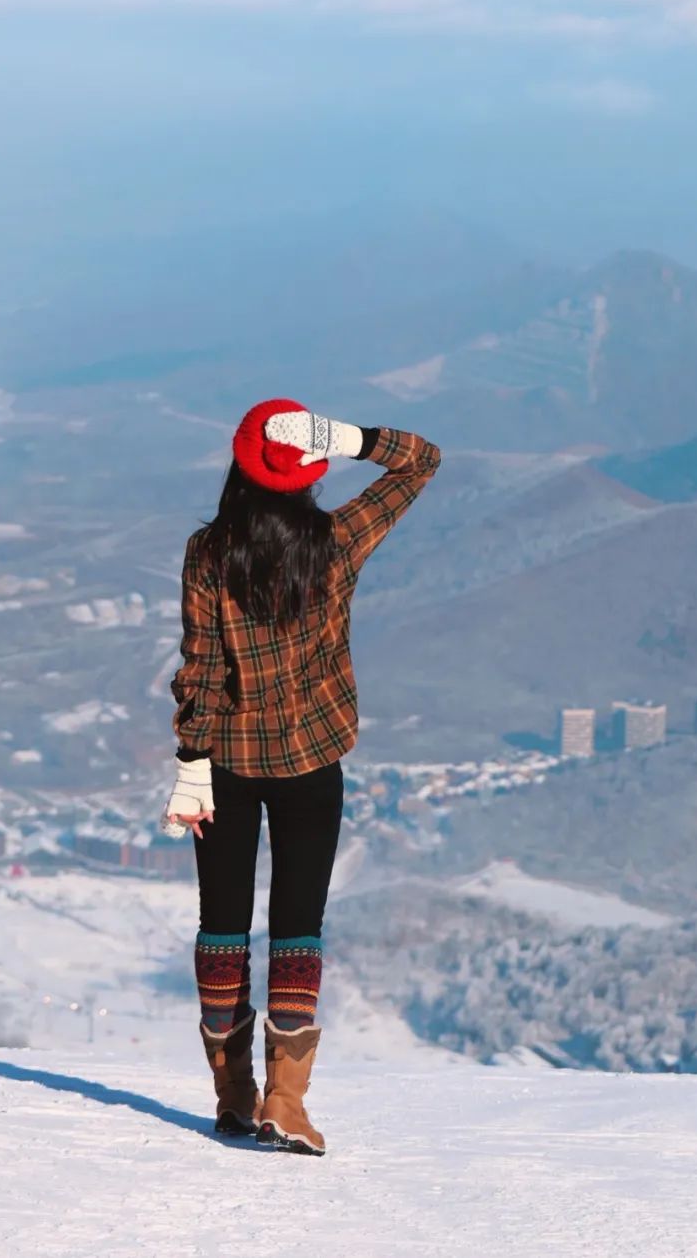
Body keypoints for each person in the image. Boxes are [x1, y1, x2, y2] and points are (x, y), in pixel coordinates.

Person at [160, 398, 441, 1153]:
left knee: (222, 931)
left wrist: (190, 761)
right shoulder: (337, 542)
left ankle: (232, 1096)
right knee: (297, 933)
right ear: (309, 468)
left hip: (224, 763)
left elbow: (199, 665)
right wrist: (348, 438)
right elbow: (422, 460)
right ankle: (285, 1102)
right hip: (312, 760)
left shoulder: (208, 553)